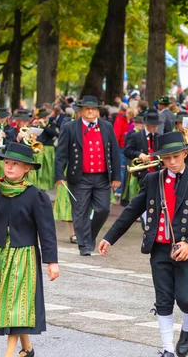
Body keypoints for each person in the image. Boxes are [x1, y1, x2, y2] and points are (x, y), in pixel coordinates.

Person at [98, 131, 188, 357]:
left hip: (184, 250)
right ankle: (167, 349)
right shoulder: (152, 180)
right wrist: (108, 238)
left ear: (184, 154)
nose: (172, 162)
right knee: (163, 299)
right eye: (167, 158)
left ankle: (187, 329)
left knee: (185, 299)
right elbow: (131, 211)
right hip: (159, 249)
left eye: (176, 156)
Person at [0, 142, 59, 357]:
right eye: (7, 162)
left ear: (27, 168)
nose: (9, 167)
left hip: (24, 255)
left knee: (16, 304)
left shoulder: (36, 196)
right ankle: (27, 348)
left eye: (15, 164)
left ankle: (9, 354)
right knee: (6, 302)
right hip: (1, 255)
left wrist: (52, 262)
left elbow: (47, 231)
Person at [54, 95, 121, 256]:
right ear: (81, 111)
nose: (90, 111)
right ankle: (83, 244)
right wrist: (59, 175)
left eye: (93, 109)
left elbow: (114, 153)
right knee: (80, 211)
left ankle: (89, 235)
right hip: (79, 177)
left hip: (102, 177)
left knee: (103, 209)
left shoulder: (107, 126)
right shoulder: (70, 127)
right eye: (87, 109)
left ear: (98, 111)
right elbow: (61, 154)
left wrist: (116, 177)